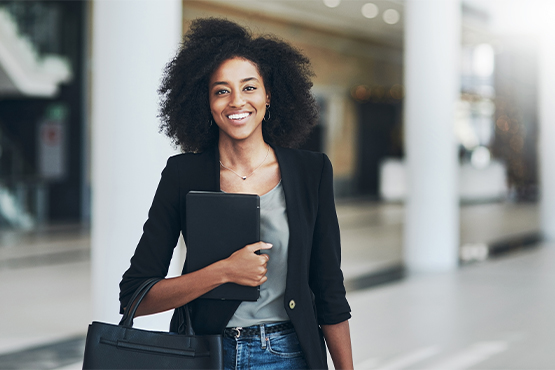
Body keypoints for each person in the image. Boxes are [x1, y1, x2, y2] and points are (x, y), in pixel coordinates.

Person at [119, 18, 353, 370]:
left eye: (249, 87)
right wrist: (225, 271)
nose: (236, 101)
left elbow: (329, 288)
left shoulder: (311, 171)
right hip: (205, 355)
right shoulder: (183, 174)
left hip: (287, 353)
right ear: (207, 103)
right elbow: (135, 297)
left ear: (269, 95)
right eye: (221, 90)